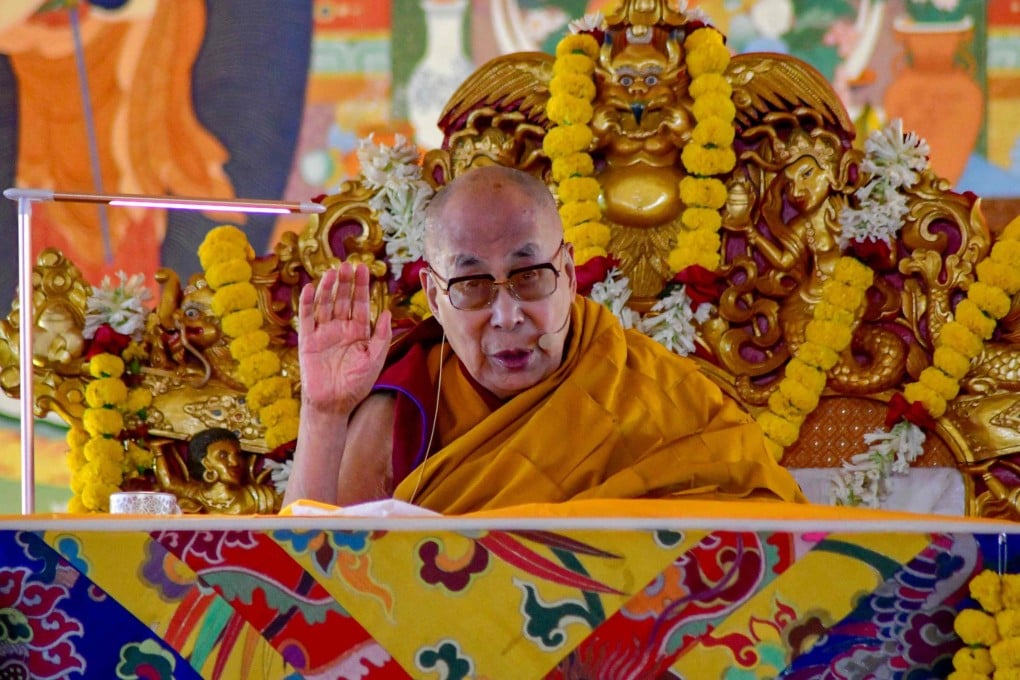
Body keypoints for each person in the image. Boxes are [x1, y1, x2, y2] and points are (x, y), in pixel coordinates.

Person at [283, 165, 805, 514]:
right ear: (434, 296)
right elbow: (314, 582)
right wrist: (324, 412)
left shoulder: (653, 393)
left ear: (569, 272)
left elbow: (768, 552)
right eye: (471, 285)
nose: (507, 316)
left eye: (529, 275)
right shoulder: (407, 401)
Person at [153, 427, 280, 514]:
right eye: (223, 456)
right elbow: (169, 484)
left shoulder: (260, 497)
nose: (235, 463)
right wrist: (158, 451)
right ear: (206, 463)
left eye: (238, 455)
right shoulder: (194, 495)